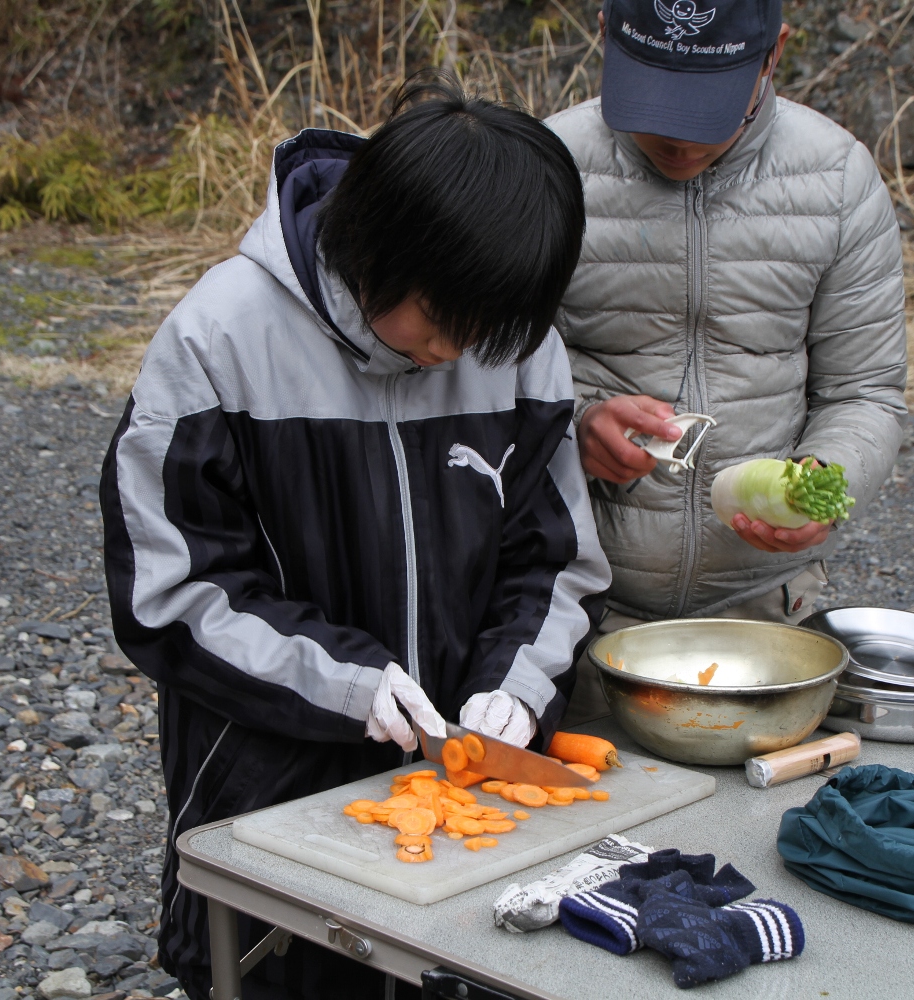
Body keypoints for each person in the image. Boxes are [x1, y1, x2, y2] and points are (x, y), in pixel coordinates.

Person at [101, 78, 610, 1000]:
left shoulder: (517, 345)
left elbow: (553, 560)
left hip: (464, 802)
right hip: (271, 787)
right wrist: (346, 682)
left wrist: (515, 686)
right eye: (443, 326)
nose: (458, 355)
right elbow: (169, 593)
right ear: (379, 249)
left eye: (488, 333)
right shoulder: (219, 338)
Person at [547, 0, 908, 722]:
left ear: (774, 54)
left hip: (765, 618)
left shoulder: (836, 179)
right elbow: (482, 373)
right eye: (654, 101)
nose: (679, 140)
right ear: (605, 38)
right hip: (571, 611)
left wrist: (825, 483)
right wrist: (575, 425)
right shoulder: (548, 169)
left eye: (705, 109)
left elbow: (865, 391)